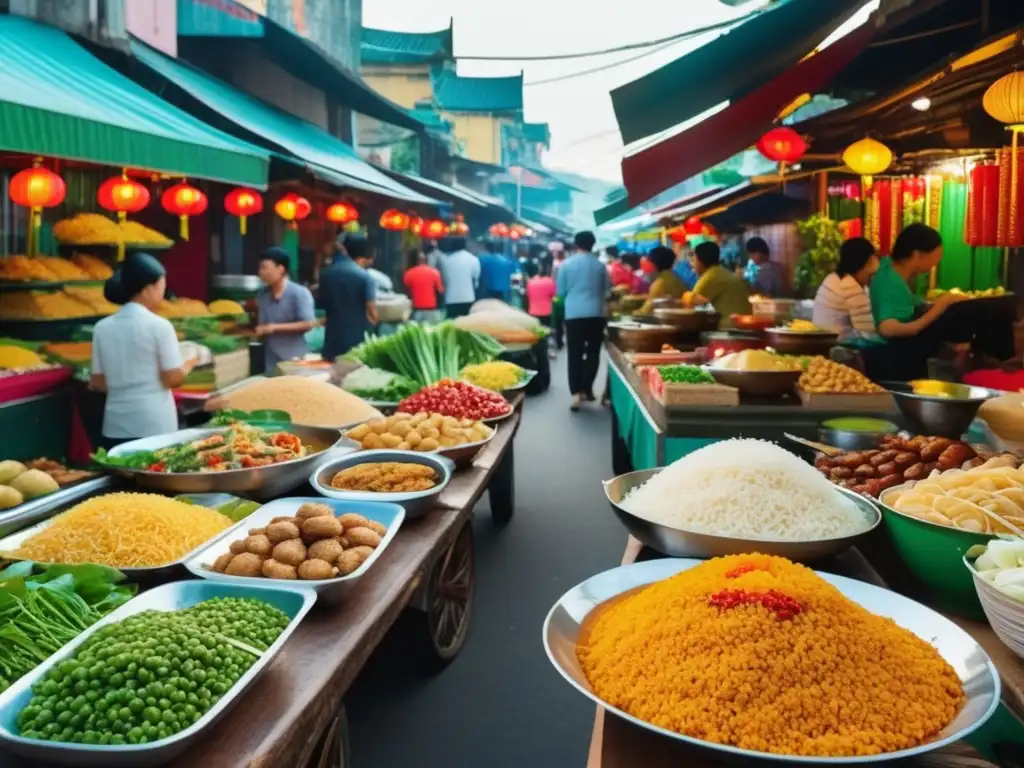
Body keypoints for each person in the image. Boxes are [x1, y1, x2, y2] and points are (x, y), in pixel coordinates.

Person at [867, 223, 1016, 380]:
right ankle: (1003, 364)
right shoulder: (887, 279)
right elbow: (887, 329)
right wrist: (940, 306)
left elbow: (912, 306)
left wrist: (939, 304)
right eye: (934, 259)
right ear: (917, 255)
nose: (934, 266)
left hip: (912, 338)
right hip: (903, 345)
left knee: (985, 307)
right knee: (992, 309)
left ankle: (988, 359)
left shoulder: (892, 270)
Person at [89, 252, 195, 448]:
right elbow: (172, 378)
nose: (163, 292)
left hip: (115, 424)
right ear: (148, 288)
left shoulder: (101, 328)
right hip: (154, 423)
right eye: (161, 285)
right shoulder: (159, 326)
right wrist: (189, 362)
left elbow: (98, 382)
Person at [557, 231, 611, 411]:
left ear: (575, 244)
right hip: (596, 314)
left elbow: (560, 293)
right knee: (593, 353)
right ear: (593, 244)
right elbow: (608, 292)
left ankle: (575, 395)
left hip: (573, 314)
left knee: (575, 353)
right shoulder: (600, 266)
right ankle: (587, 388)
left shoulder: (565, 265)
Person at [255, 247, 317, 374]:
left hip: (295, 358)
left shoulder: (299, 293)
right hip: (271, 358)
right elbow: (262, 325)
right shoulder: (262, 295)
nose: (260, 272)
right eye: (260, 268)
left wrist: (274, 328)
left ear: (281, 269)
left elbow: (309, 324)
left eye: (264, 267)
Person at [318, 232, 378, 361]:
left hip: (332, 341)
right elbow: (372, 312)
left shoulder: (326, 274)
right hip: (357, 341)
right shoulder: (365, 277)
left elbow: (322, 305)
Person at [812, 237, 879, 339]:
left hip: (821, 340)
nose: (876, 270)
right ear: (867, 263)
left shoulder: (833, 279)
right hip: (833, 345)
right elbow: (868, 331)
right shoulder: (850, 287)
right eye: (874, 260)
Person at [686, 241, 753, 326]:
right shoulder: (719, 272)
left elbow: (689, 304)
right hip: (744, 322)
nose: (693, 264)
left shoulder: (710, 277)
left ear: (700, 261)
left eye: (694, 259)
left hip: (732, 326)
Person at [637, 246, 686, 314]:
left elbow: (645, 312)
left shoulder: (659, 285)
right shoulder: (677, 279)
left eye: (648, 262)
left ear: (653, 264)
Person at [439, 236, 480, 318]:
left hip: (450, 298)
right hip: (468, 297)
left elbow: (443, 279)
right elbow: (476, 278)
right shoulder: (473, 259)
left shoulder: (447, 260)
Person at [404, 248, 445, 324]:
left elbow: (407, 293)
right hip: (432, 311)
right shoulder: (434, 272)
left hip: (416, 311)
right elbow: (440, 291)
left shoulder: (408, 274)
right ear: (425, 260)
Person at [526, 261, 557, 328]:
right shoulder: (550, 282)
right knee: (545, 331)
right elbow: (554, 296)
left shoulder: (530, 282)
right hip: (546, 312)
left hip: (533, 311)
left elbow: (529, 296)